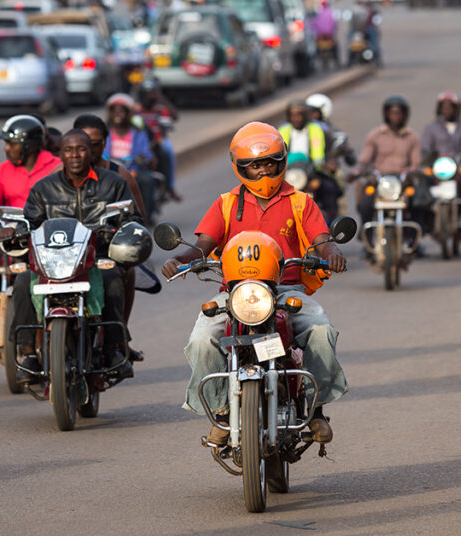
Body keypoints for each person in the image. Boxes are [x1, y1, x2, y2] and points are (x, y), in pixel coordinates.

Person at [161, 121, 348, 445]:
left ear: (281, 162)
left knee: (321, 330)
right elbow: (203, 245)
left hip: (285, 290)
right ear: (241, 167)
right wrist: (181, 259)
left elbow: (322, 240)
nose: (263, 171)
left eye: (269, 163)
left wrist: (332, 252)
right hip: (235, 293)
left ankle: (316, 410)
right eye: (254, 165)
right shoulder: (226, 203)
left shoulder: (300, 201)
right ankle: (221, 413)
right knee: (202, 339)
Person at [7, 129, 141, 380]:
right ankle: (28, 354)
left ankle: (113, 348)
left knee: (113, 277)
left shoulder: (114, 183)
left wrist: (119, 228)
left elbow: (133, 220)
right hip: (52, 261)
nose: (75, 155)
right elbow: (29, 222)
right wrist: (14, 230)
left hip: (97, 259)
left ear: (93, 152)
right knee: (23, 281)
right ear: (60, 154)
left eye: (81, 149)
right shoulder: (44, 188)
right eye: (68, 150)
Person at [0, 115, 62, 351]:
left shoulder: (56, 166)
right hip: (10, 239)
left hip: (46, 242)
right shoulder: (1, 172)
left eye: (11, 143)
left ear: (28, 145)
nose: (6, 148)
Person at [74, 113, 149, 361]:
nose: (88, 150)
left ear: (105, 143)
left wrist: (119, 236)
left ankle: (118, 340)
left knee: (124, 273)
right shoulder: (55, 179)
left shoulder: (120, 176)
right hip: (68, 254)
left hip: (106, 253)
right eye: (82, 144)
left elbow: (138, 221)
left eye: (95, 144)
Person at [352, 95, 421, 225]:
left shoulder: (412, 137)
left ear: (405, 115)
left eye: (399, 113)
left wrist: (411, 173)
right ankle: (366, 229)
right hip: (380, 179)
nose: (396, 117)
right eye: (392, 113)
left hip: (402, 180)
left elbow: (416, 163)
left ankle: (415, 233)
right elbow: (364, 160)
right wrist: (356, 172)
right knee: (366, 201)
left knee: (418, 203)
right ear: (386, 114)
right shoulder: (375, 135)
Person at [135, 78, 181, 202]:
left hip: (158, 140)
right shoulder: (136, 110)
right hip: (139, 141)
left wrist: (162, 98)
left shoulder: (161, 109)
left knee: (168, 151)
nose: (149, 98)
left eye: (152, 94)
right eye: (146, 94)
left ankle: (170, 186)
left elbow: (173, 117)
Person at [278, 99, 328, 171]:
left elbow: (326, 151)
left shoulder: (316, 129)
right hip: (289, 171)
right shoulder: (283, 131)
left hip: (312, 170)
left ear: (305, 116)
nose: (296, 119)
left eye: (299, 115)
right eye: (293, 115)